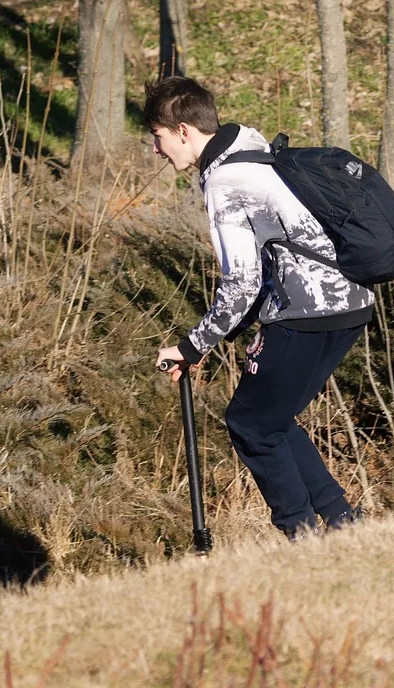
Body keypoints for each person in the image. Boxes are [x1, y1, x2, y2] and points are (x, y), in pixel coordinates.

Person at [145, 76, 373, 540]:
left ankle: (302, 534)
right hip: (351, 301)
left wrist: (192, 345)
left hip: (308, 308)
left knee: (250, 422)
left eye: (158, 136)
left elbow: (242, 282)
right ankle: (342, 525)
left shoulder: (226, 181)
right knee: (270, 418)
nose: (156, 149)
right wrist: (225, 334)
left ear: (183, 131)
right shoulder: (258, 155)